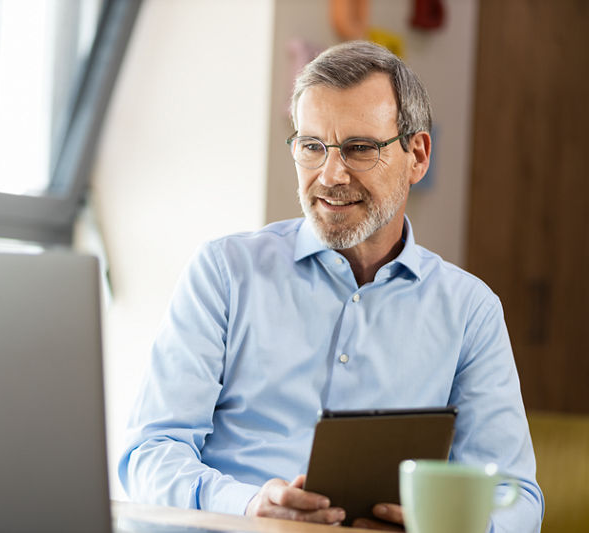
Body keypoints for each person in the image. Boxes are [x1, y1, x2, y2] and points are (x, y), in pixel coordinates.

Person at [118, 41, 543, 532]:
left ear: (418, 155)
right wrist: (248, 504)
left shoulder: (471, 310)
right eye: (312, 147)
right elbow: (149, 454)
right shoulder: (224, 272)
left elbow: (518, 499)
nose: (330, 174)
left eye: (360, 149)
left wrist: (439, 527)